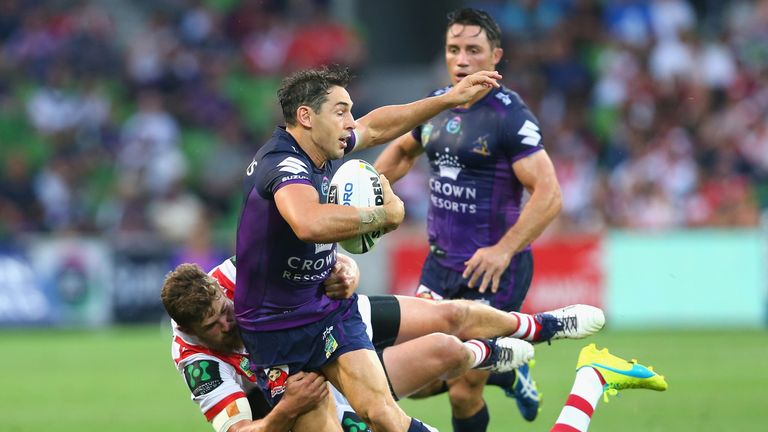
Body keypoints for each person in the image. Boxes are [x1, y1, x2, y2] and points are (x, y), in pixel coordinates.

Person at [234, 64, 506, 432]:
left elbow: (376, 127)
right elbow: (308, 223)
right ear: (306, 117)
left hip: (326, 310)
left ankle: (541, 328)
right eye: (341, 111)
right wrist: (381, 215)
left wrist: (450, 99)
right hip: (274, 331)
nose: (351, 122)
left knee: (383, 415)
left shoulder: (322, 148)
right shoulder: (283, 164)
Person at [161, 257, 658, 432]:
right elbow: (241, 430)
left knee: (450, 320)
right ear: (190, 330)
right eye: (215, 324)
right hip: (316, 393)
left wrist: (348, 273)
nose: (228, 321)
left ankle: (538, 329)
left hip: (337, 324)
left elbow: (331, 260)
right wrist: (286, 410)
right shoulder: (196, 360)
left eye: (225, 307)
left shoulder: (237, 272)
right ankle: (578, 375)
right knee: (445, 354)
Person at [374, 7, 562, 429]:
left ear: (496, 56)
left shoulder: (510, 116)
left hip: (493, 272)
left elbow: (549, 195)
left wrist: (503, 250)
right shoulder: (438, 105)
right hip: (439, 268)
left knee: (462, 392)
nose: (461, 59)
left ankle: (497, 367)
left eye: (473, 50)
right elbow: (402, 151)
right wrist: (366, 194)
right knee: (412, 376)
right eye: (453, 49)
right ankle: (507, 371)